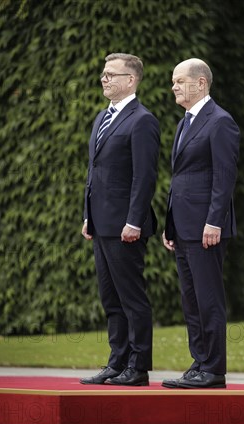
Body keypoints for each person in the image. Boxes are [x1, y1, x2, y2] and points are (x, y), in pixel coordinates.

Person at [80, 53, 160, 387]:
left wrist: (134, 220)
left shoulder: (142, 120)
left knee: (131, 298)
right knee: (111, 299)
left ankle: (138, 367)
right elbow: (94, 171)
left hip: (126, 226)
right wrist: (88, 215)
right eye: (103, 73)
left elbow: (145, 177)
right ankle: (117, 362)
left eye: (111, 74)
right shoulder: (102, 117)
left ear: (131, 80)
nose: (104, 79)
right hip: (100, 223)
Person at [162, 58, 240, 389]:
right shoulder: (185, 122)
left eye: (180, 81)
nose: (174, 86)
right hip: (183, 227)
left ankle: (214, 370)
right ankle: (199, 363)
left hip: (206, 228)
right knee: (190, 299)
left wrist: (214, 221)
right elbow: (181, 177)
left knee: (208, 298)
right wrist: (170, 224)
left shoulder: (220, 121)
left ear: (202, 84)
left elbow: (224, 176)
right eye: (173, 81)